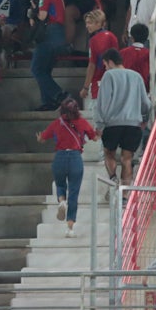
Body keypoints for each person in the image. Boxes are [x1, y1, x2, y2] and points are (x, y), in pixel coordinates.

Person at [38, 100, 97, 238]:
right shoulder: (82, 122)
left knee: (60, 184)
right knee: (74, 193)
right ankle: (70, 229)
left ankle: (61, 201)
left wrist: (39, 137)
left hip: (60, 157)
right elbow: (94, 137)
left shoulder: (56, 123)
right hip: (75, 158)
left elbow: (43, 138)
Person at [93, 50, 146, 188]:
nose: (105, 67)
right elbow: (145, 103)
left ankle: (113, 178)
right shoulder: (137, 76)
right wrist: (144, 118)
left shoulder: (109, 75)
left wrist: (99, 124)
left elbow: (103, 102)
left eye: (105, 64)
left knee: (108, 154)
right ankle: (125, 195)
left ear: (110, 62)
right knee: (126, 159)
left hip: (112, 124)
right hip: (134, 124)